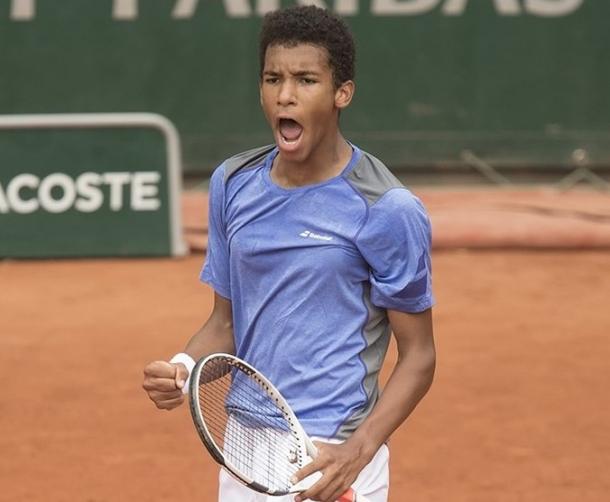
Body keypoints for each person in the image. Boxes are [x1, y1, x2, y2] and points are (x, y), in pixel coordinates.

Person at [142, 5, 436, 502]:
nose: (285, 95)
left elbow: (420, 357)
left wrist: (357, 452)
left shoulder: (386, 208)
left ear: (341, 93)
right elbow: (225, 323)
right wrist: (182, 369)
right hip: (241, 448)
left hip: (331, 452)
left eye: (306, 80)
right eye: (273, 78)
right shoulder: (232, 184)